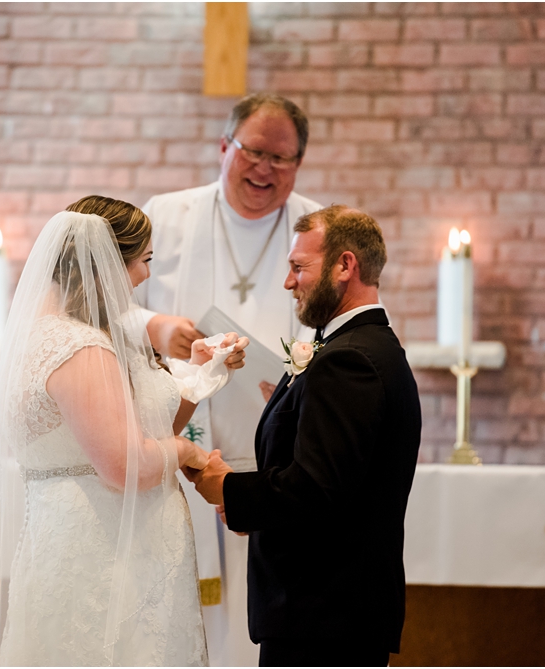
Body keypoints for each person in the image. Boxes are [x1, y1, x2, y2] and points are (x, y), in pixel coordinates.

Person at [0, 196, 248, 666]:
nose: (146, 276)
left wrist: (199, 373)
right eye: (143, 261)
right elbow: (125, 464)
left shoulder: (54, 335)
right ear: (107, 262)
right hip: (107, 556)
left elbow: (141, 430)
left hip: (88, 540)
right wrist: (187, 451)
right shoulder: (80, 347)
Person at [186, 205, 422, 667]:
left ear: (344, 266)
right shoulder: (364, 349)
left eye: (299, 268)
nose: (288, 282)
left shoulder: (347, 360)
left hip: (323, 615)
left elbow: (316, 487)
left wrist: (228, 488)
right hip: (330, 613)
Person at [136, 93, 323, 666]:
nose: (265, 168)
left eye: (282, 159)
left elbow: (335, 329)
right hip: (169, 441)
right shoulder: (165, 217)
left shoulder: (317, 229)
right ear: (225, 147)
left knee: (255, 614)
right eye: (254, 151)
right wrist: (158, 326)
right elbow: (112, 310)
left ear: (299, 165)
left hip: (270, 458)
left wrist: (298, 380)